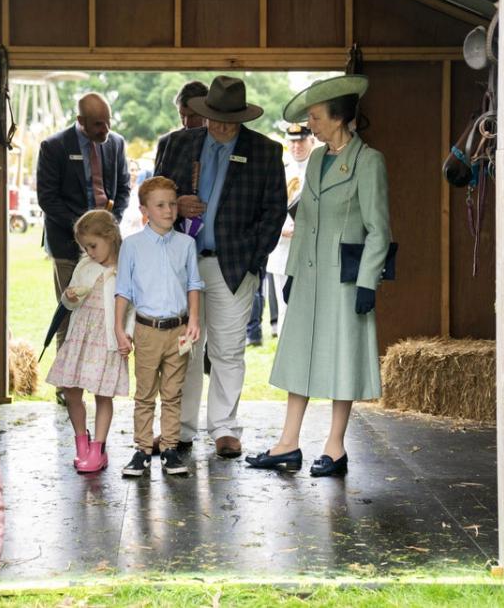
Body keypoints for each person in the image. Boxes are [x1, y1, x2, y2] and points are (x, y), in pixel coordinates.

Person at [246, 74, 391, 477]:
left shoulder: (368, 161)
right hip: (308, 275)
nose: (311, 124)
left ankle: (335, 447)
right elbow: (305, 218)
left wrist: (367, 281)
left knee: (342, 358)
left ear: (339, 117)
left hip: (345, 279)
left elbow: (379, 228)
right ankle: (288, 443)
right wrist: (291, 272)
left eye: (315, 116)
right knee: (299, 356)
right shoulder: (316, 159)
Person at [155, 75, 287, 458]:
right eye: (216, 118)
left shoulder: (265, 152)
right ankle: (181, 427)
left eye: (232, 119)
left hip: (233, 266)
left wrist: (252, 260)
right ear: (205, 114)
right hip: (182, 264)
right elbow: (152, 199)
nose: (223, 126)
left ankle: (225, 428)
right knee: (186, 349)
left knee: (228, 350)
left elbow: (274, 212)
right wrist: (177, 204)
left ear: (243, 118)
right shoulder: (177, 145)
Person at [115, 177, 203, 476]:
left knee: (173, 393)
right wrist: (118, 329)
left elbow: (193, 284)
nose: (169, 210)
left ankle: (168, 449)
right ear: (145, 210)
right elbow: (123, 291)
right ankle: (141, 449)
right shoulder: (132, 246)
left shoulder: (187, 244)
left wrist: (193, 319)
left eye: (173, 204)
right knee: (145, 393)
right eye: (160, 205)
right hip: (147, 331)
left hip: (178, 332)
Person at [36, 93, 130, 351]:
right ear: (81, 120)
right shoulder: (54, 147)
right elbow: (47, 198)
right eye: (98, 124)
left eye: (108, 121)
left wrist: (109, 226)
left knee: (107, 313)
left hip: (109, 248)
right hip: (67, 244)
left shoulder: (116, 144)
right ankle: (66, 389)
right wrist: (85, 233)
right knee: (68, 313)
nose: (106, 129)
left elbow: (123, 189)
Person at [46, 209, 133, 473]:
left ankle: (98, 448)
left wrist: (127, 333)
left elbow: (133, 306)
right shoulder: (85, 265)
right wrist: (70, 297)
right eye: (86, 247)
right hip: (81, 336)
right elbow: (69, 302)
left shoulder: (124, 268)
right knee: (71, 390)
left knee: (103, 394)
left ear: (110, 236)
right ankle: (81, 443)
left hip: (106, 340)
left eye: (93, 245)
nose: (91, 252)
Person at [266, 123, 316, 336]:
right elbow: (266, 210)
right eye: (293, 141)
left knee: (312, 310)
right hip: (284, 248)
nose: (297, 146)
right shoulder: (279, 171)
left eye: (301, 141)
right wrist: (280, 230)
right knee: (286, 309)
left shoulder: (320, 170)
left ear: (311, 141)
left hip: (312, 249)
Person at [153, 80, 208, 169]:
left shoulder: (218, 144)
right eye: (182, 116)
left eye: (192, 116)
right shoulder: (166, 143)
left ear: (207, 113)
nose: (186, 123)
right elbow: (157, 182)